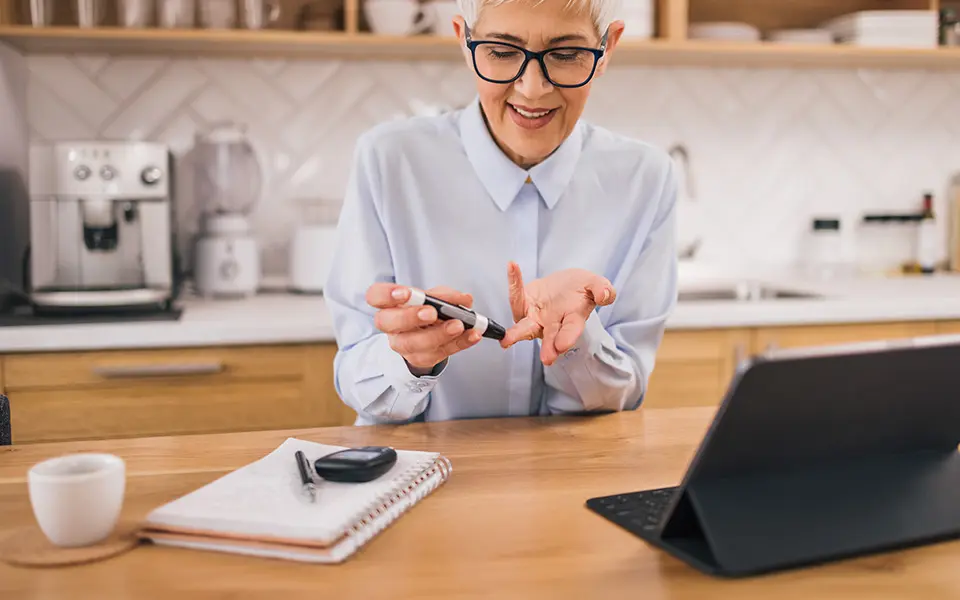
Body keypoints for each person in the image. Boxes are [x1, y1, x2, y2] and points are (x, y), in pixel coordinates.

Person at [324, 0, 678, 425]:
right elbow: (358, 381)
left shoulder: (646, 178)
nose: (532, 88)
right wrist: (410, 360)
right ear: (464, 39)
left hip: (571, 478)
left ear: (607, 48)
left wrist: (575, 339)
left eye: (565, 55)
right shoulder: (388, 160)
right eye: (502, 51)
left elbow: (623, 393)